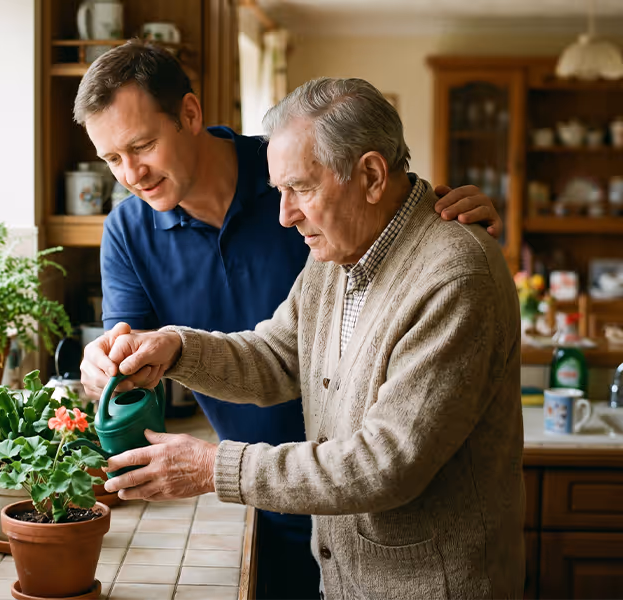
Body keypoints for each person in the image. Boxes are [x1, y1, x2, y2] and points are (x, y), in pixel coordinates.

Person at [74, 42, 507, 600]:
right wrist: (175, 347)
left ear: (372, 177)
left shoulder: (449, 274)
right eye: (279, 191)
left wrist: (214, 469)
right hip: (335, 556)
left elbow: (387, 464)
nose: (283, 214)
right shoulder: (336, 251)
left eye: (299, 189)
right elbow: (279, 355)